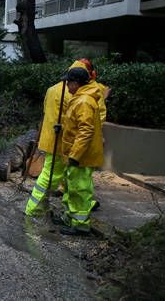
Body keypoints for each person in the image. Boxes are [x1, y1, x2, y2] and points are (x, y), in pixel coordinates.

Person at [24, 59, 108, 217]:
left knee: (56, 176)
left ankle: (58, 212)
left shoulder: (52, 89)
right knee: (74, 179)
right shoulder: (85, 93)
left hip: (52, 140)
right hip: (68, 144)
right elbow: (95, 119)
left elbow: (46, 113)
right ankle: (41, 210)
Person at [56, 66, 104, 236]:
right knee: (71, 187)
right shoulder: (81, 99)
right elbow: (78, 126)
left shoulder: (83, 101)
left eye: (68, 82)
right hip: (76, 154)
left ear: (76, 83)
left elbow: (86, 131)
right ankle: (69, 218)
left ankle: (80, 225)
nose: (67, 85)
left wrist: (75, 156)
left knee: (79, 190)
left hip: (80, 156)